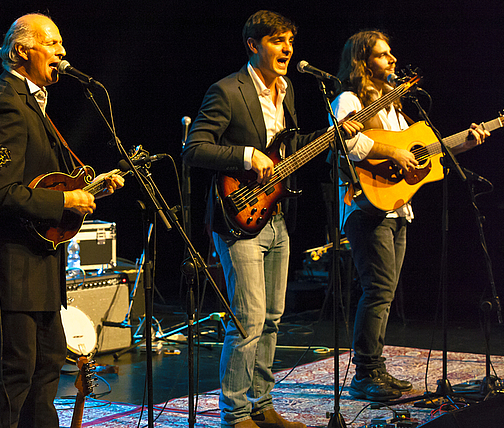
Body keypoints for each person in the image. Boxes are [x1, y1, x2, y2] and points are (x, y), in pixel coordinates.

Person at [183, 10, 362, 428]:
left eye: (290, 41)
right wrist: (246, 155)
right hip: (238, 217)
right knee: (247, 318)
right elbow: (195, 149)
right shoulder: (227, 91)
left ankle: (261, 405)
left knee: (272, 318)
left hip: (278, 215)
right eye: (277, 40)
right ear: (253, 44)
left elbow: (290, 145)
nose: (287, 49)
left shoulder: (288, 90)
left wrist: (335, 135)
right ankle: (234, 413)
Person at [0, 13, 124, 428]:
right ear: (21, 51)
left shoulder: (30, 101)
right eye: (52, 43)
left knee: (48, 362)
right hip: (11, 265)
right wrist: (65, 199)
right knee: (17, 370)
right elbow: (0, 193)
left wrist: (86, 190)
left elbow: (37, 180)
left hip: (38, 261)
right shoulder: (3, 102)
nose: (62, 52)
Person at [331, 30, 489, 401]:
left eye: (391, 54)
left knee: (384, 292)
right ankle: (364, 374)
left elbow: (417, 157)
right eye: (383, 55)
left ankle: (376, 368)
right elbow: (346, 142)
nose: (392, 60)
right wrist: (393, 152)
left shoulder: (396, 108)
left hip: (398, 206)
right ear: (363, 61)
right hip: (365, 207)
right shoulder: (349, 100)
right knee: (378, 290)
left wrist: (461, 145)